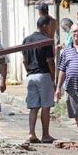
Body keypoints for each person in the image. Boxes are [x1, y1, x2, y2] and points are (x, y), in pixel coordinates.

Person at [22, 16, 56, 144]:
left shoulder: (26, 40)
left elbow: (24, 61)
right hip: (43, 75)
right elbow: (50, 61)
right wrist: (53, 78)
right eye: (51, 26)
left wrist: (29, 72)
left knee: (33, 107)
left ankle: (31, 133)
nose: (52, 29)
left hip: (31, 76)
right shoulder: (47, 40)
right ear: (45, 26)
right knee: (46, 106)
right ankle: (45, 135)